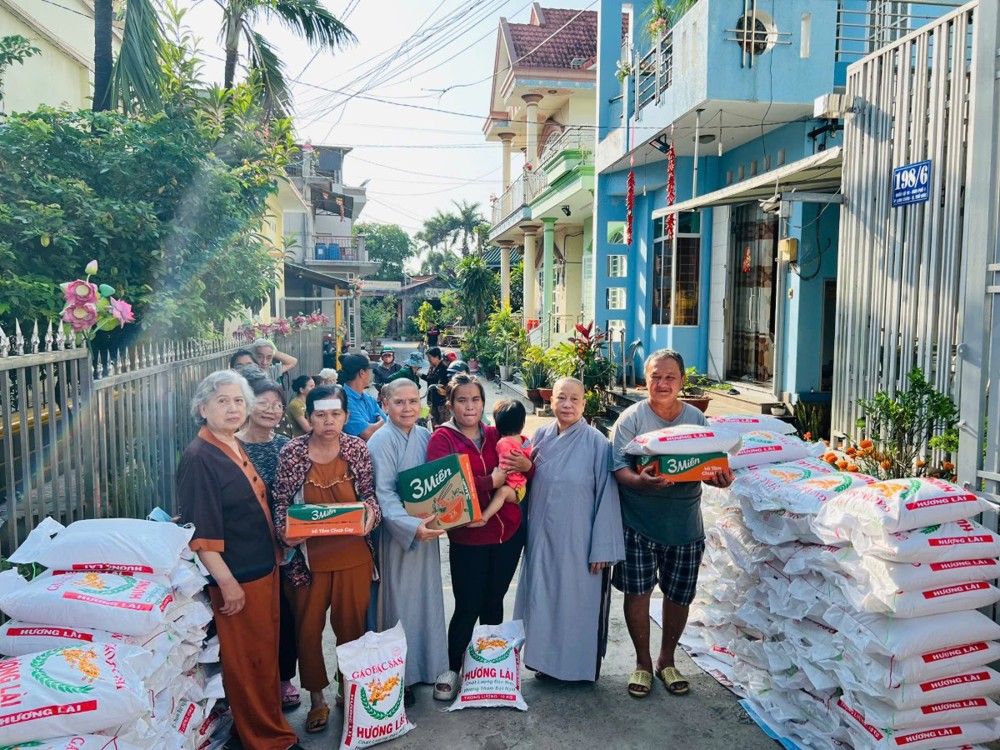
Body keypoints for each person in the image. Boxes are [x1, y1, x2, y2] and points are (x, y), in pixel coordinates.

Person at [176, 370, 301, 750]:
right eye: (222, 401)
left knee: (265, 659)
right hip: (238, 578)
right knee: (249, 664)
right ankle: (266, 740)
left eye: (238, 401)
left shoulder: (231, 442)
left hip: (262, 569)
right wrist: (227, 583)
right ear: (203, 408)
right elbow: (201, 533)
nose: (233, 408)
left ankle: (262, 729)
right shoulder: (200, 457)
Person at [610, 350, 733, 698]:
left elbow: (706, 464)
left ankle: (667, 660)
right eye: (655, 377)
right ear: (645, 379)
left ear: (681, 381)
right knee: (638, 593)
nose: (662, 384)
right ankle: (642, 662)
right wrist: (640, 482)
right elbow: (618, 469)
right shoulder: (631, 419)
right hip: (638, 524)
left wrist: (719, 479)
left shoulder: (695, 418)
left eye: (670, 377)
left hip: (684, 525)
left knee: (679, 595)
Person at [271, 385, 382, 734]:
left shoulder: (357, 449)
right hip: (307, 561)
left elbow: (370, 497)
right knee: (307, 630)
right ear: (309, 417)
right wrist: (285, 531)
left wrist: (371, 516)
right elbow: (280, 503)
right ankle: (316, 697)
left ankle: (347, 688)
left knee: (352, 629)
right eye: (320, 415)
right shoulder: (292, 453)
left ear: (346, 416)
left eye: (335, 414)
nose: (328, 421)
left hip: (352, 556)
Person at [426, 374, 534, 685]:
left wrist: (528, 467)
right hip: (469, 537)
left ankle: (489, 671)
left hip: (508, 535)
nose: (469, 406)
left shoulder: (496, 433)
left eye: (475, 399)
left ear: (483, 403)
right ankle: (452, 669)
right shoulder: (442, 440)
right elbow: (445, 491)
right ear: (450, 405)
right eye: (462, 400)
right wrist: (490, 482)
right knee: (467, 605)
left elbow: (524, 475)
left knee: (494, 601)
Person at [514, 377, 624, 683]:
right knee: (542, 598)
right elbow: (525, 482)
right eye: (561, 398)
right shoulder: (541, 436)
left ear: (584, 405)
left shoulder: (598, 443)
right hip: (542, 536)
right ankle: (544, 663)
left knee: (576, 604)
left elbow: (607, 496)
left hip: (580, 540)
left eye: (575, 399)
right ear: (551, 401)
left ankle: (575, 669)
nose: (567, 405)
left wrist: (602, 547)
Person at [367, 380, 451, 706]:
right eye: (399, 402)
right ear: (385, 404)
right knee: (398, 604)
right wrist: (412, 526)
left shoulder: (425, 435)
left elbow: (435, 483)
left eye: (413, 401)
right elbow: (383, 493)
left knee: (427, 601)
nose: (407, 408)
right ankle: (397, 676)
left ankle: (426, 667)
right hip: (398, 536)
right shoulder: (381, 440)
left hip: (426, 532)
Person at [235, 379, 301, 712]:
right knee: (252, 620)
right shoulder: (232, 447)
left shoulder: (287, 446)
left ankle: (284, 678)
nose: (271, 410)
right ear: (248, 404)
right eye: (263, 402)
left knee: (287, 615)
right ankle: (254, 684)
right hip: (248, 547)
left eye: (277, 404)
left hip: (289, 547)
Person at [478, 400, 529, 527]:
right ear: (522, 423)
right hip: (522, 486)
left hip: (514, 487)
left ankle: (484, 517)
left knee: (501, 492)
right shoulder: (525, 440)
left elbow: (505, 465)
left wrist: (496, 475)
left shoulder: (503, 443)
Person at [339, 353, 386, 440]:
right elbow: (367, 433)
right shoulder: (344, 400)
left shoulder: (369, 398)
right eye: (369, 370)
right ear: (362, 373)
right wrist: (381, 421)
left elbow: (389, 425)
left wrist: (379, 423)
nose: (370, 374)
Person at [422, 347, 450, 427]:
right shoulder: (431, 367)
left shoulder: (443, 368)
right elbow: (429, 378)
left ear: (437, 357)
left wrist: (420, 375)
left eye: (430, 357)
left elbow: (432, 379)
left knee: (443, 424)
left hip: (441, 402)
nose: (428, 360)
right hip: (431, 400)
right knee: (432, 422)